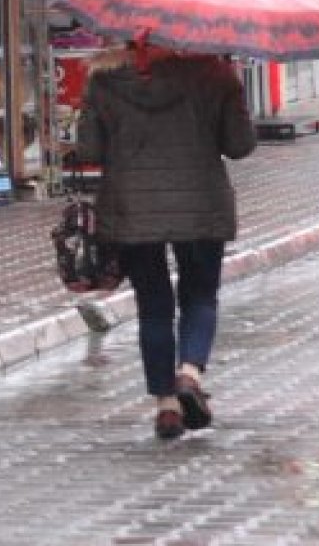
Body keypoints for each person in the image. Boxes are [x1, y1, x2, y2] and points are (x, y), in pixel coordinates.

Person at [75, 46, 256, 439]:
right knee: (200, 295)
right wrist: (232, 96)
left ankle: (166, 406)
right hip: (201, 204)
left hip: (132, 206)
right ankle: (189, 373)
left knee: (153, 305)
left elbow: (89, 150)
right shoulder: (216, 76)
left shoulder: (104, 79)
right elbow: (240, 146)